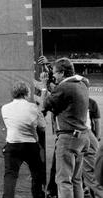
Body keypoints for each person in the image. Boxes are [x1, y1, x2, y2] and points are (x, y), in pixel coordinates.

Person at [41, 57, 90, 198]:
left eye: (55, 73)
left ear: (62, 73)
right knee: (76, 180)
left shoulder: (64, 87)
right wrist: (50, 66)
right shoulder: (82, 83)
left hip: (68, 137)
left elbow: (45, 105)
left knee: (63, 181)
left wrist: (44, 86)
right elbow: (61, 93)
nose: (53, 76)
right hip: (82, 136)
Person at [1, 82, 46, 198]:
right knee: (37, 175)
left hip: (13, 144)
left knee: (10, 175)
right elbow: (42, 126)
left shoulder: (5, 108)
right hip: (31, 145)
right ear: (26, 93)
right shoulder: (33, 107)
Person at [82, 98, 103, 198]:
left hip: (86, 137)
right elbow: (97, 121)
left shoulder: (74, 100)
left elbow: (97, 122)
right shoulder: (91, 102)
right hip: (90, 138)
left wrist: (97, 137)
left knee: (90, 172)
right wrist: (97, 137)